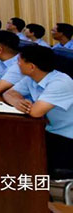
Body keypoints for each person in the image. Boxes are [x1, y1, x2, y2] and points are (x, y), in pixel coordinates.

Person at [4, 45, 73, 175]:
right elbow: (8, 93)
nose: (17, 64)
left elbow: (35, 112)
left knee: (23, 154)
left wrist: (20, 103)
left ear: (31, 67)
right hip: (49, 130)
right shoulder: (31, 78)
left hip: (67, 138)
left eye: (19, 61)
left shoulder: (60, 82)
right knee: (11, 143)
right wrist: (17, 102)